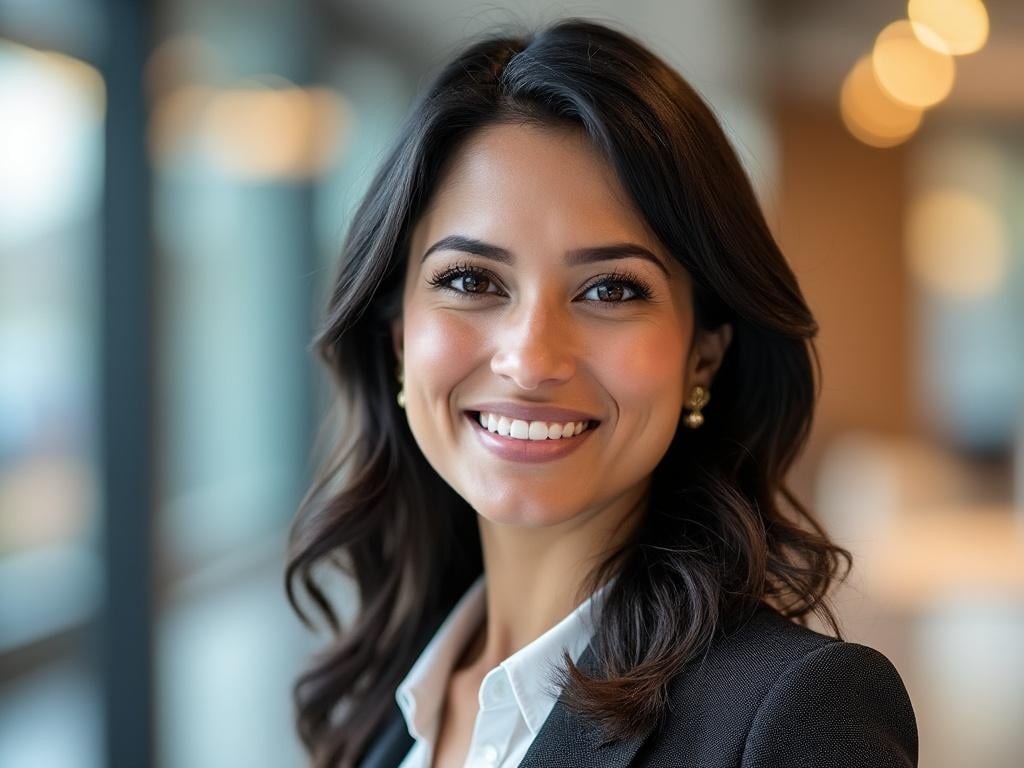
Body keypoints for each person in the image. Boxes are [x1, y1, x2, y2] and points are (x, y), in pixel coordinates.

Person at [285, 17, 919, 768]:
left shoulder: (795, 714)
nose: (530, 359)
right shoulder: (384, 699)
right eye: (470, 281)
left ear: (703, 356)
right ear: (397, 336)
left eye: (611, 289)